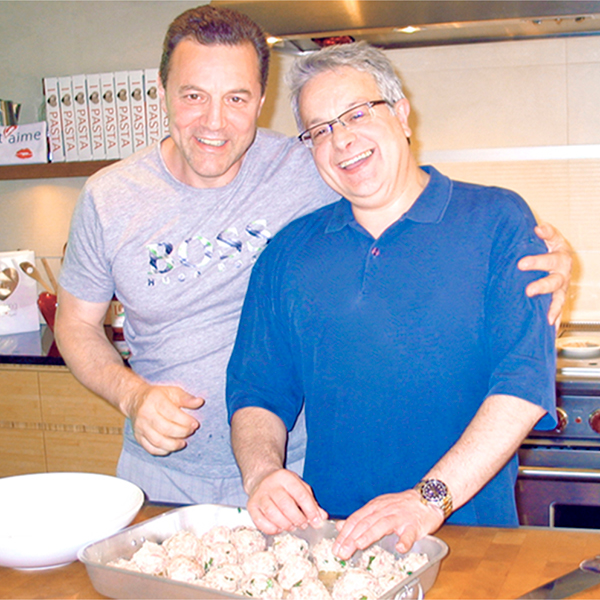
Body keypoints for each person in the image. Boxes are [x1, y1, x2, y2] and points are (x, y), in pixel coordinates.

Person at [56, 5, 568, 507]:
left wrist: (546, 259)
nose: (341, 139)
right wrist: (133, 397)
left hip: (311, 488)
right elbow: (78, 326)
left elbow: (518, 371)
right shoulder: (115, 198)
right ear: (163, 91)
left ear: (259, 101)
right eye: (193, 95)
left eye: (235, 97)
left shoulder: (314, 168)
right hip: (177, 476)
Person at [226, 41, 558, 558]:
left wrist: (428, 500)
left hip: (472, 539)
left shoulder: (498, 221)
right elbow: (257, 393)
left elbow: (522, 386)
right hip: (338, 548)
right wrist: (262, 472)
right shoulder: (288, 254)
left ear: (401, 113)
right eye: (320, 130)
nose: (341, 140)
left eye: (357, 113)